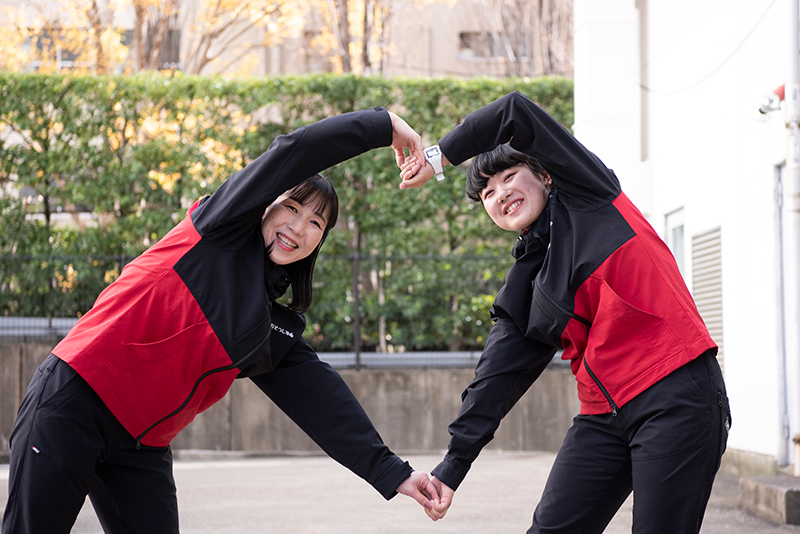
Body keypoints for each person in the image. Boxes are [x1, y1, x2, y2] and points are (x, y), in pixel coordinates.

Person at [2, 107, 438, 533]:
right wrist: (383, 125)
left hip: (140, 445)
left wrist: (394, 473)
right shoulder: (218, 230)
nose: (298, 227)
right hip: (77, 399)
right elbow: (296, 150)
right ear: (266, 204)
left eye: (315, 223)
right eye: (291, 207)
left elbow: (320, 399)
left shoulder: (266, 325)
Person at [399, 91, 731, 533]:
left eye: (510, 176)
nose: (500, 193)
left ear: (546, 175)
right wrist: (453, 465)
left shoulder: (590, 195)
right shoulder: (529, 279)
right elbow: (497, 376)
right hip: (603, 416)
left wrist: (437, 157)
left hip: (674, 395)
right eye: (488, 193)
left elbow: (514, 111)